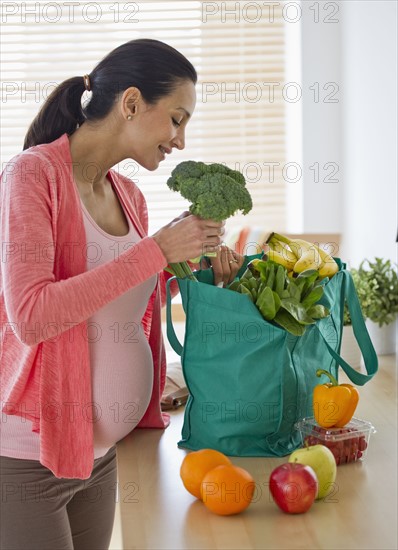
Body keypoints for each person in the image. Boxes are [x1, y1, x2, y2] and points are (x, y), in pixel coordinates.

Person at [0, 38, 244, 549]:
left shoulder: (129, 196)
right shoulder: (33, 176)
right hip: (28, 458)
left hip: (102, 457)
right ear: (131, 103)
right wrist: (155, 252)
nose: (180, 140)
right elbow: (32, 315)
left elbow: (123, 306)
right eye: (176, 118)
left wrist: (194, 273)